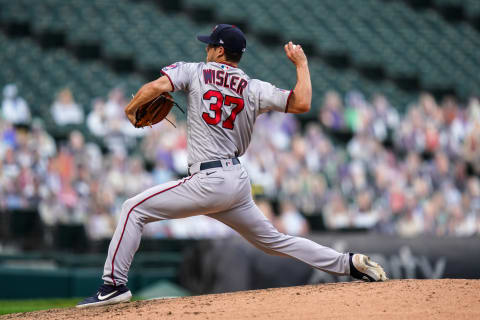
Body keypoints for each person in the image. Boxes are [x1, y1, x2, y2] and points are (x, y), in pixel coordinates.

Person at [77, 24, 386, 308]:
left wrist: (131, 110)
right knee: (275, 241)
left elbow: (155, 87)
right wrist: (302, 65)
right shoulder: (253, 88)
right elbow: (302, 102)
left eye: (210, 45)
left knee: (133, 209)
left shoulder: (195, 71)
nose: (206, 49)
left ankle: (114, 285)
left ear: (220, 51)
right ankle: (348, 264)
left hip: (208, 179)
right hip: (235, 181)